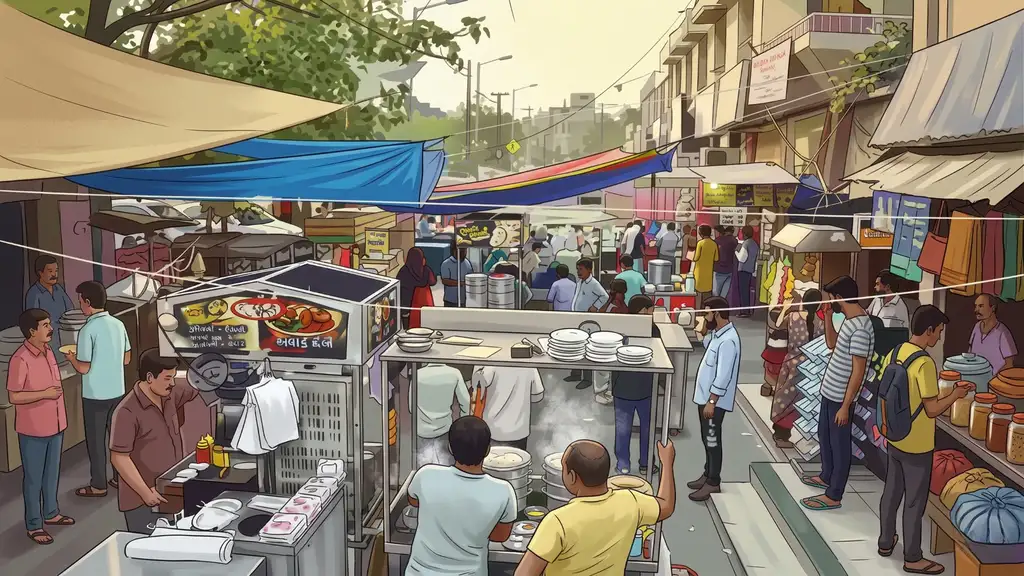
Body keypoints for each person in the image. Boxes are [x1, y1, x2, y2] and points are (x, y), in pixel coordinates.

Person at [878, 306, 971, 575]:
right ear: (929, 330)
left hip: (894, 436)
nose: (939, 337)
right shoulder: (924, 363)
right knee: (914, 502)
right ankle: (912, 558)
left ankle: (885, 542)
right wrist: (956, 394)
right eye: (939, 332)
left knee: (891, 492)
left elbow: (884, 393)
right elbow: (931, 409)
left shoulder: (895, 352)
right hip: (917, 443)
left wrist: (886, 426)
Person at [513, 439, 677, 576]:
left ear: (572, 476)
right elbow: (666, 505)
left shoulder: (557, 521)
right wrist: (667, 463)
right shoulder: (631, 502)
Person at [406, 416, 517, 575]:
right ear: (488, 450)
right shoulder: (504, 490)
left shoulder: (425, 474)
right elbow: (500, 536)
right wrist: (474, 528)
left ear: (450, 448)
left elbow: (413, 500)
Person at [801, 276, 874, 511]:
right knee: (825, 436)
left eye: (831, 298)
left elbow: (858, 371)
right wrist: (828, 318)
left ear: (840, 297)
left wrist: (845, 405)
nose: (829, 302)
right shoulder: (850, 321)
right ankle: (826, 476)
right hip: (830, 391)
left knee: (839, 444)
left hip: (841, 397)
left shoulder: (861, 328)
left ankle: (834, 494)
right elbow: (832, 345)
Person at [8, 309, 75, 545]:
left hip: (56, 424)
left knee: (52, 473)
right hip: (33, 429)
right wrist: (44, 394)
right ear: (31, 331)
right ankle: (34, 525)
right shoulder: (20, 359)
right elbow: (14, 396)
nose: (51, 329)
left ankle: (51, 513)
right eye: (45, 325)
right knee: (33, 478)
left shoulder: (48, 352)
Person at [110, 350, 193, 533]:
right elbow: (119, 457)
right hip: (142, 500)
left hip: (170, 491)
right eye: (167, 378)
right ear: (149, 377)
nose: (172, 383)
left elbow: (197, 387)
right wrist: (145, 493)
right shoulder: (126, 412)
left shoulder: (170, 395)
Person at [65, 281, 131, 498]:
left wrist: (72, 358)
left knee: (96, 443)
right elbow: (127, 359)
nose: (80, 305)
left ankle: (98, 485)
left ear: (88, 302)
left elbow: (83, 368)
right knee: (117, 440)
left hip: (95, 395)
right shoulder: (118, 324)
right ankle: (120, 478)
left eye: (80, 301)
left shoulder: (87, 330)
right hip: (118, 391)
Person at [688, 296, 740, 501]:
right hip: (706, 399)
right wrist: (702, 329)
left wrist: (712, 401)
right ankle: (707, 473)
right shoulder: (719, 335)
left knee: (712, 439)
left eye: (707, 312)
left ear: (717, 313)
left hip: (713, 402)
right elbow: (707, 343)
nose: (704, 315)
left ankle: (713, 481)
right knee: (706, 437)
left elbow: (723, 375)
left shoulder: (728, 341)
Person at [611, 296, 660, 475]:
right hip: (645, 388)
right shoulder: (653, 330)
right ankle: (646, 464)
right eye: (651, 310)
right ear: (643, 310)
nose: (652, 314)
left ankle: (623, 465)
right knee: (647, 429)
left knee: (623, 430)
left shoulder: (621, 329)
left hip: (622, 388)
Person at [770, 291, 823, 448]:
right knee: (805, 400)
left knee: (785, 398)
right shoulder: (821, 322)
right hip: (812, 366)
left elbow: (778, 325)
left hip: (792, 363)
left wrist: (786, 307)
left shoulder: (793, 317)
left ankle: (781, 433)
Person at [472, 366, 544, 450]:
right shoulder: (529, 365)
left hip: (493, 430)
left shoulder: (489, 365)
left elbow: (478, 387)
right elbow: (537, 396)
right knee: (518, 457)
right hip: (519, 431)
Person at [414, 363, 471, 466]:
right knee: (446, 468)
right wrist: (461, 428)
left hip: (422, 431)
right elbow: (466, 403)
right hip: (445, 430)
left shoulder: (417, 374)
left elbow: (411, 407)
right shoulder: (454, 373)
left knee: (424, 469)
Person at [565, 259, 608, 387]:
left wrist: (595, 306)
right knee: (576, 347)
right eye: (577, 269)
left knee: (586, 348)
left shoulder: (593, 283)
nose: (578, 272)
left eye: (581, 269)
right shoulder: (579, 282)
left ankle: (587, 379)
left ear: (589, 270)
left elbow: (604, 296)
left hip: (587, 322)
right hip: (577, 319)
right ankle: (576, 374)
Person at [25, 255, 76, 355]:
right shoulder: (34, 294)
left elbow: (70, 311)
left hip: (64, 338)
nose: (54, 274)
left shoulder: (58, 289)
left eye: (56, 271)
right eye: (50, 271)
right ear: (40, 273)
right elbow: (32, 323)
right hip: (47, 343)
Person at [969, 293, 1017, 373]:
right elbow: (970, 353)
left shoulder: (1002, 332)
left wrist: (993, 378)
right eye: (976, 306)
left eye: (980, 306)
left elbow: (1009, 364)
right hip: (975, 376)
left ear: (993, 308)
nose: (976, 310)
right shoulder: (976, 327)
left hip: (995, 379)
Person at [397, 247, 436, 330]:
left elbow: (398, 285)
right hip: (424, 307)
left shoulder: (403, 271)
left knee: (408, 330)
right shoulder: (426, 270)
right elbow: (433, 282)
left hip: (407, 307)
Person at [735, 225, 759, 317]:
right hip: (750, 270)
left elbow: (742, 258)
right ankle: (747, 310)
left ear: (744, 234)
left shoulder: (746, 243)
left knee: (743, 291)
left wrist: (736, 252)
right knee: (747, 291)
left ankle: (744, 311)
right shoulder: (754, 244)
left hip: (743, 270)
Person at [440, 243, 474, 307]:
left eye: (465, 250)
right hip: (450, 301)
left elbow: (470, 277)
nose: (464, 253)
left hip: (464, 300)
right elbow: (445, 281)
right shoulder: (446, 264)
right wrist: (461, 283)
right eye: (462, 250)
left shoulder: (467, 263)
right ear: (454, 251)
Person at [693, 225, 718, 304]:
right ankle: (706, 308)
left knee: (698, 292)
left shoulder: (700, 243)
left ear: (701, 233)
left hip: (699, 271)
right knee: (707, 293)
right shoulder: (714, 244)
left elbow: (696, 258)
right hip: (709, 272)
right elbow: (716, 258)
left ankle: (698, 308)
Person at [713, 226, 737, 298]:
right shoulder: (734, 241)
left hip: (718, 269)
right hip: (730, 270)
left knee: (716, 293)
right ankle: (721, 304)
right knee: (724, 295)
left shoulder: (717, 241)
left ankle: (716, 305)